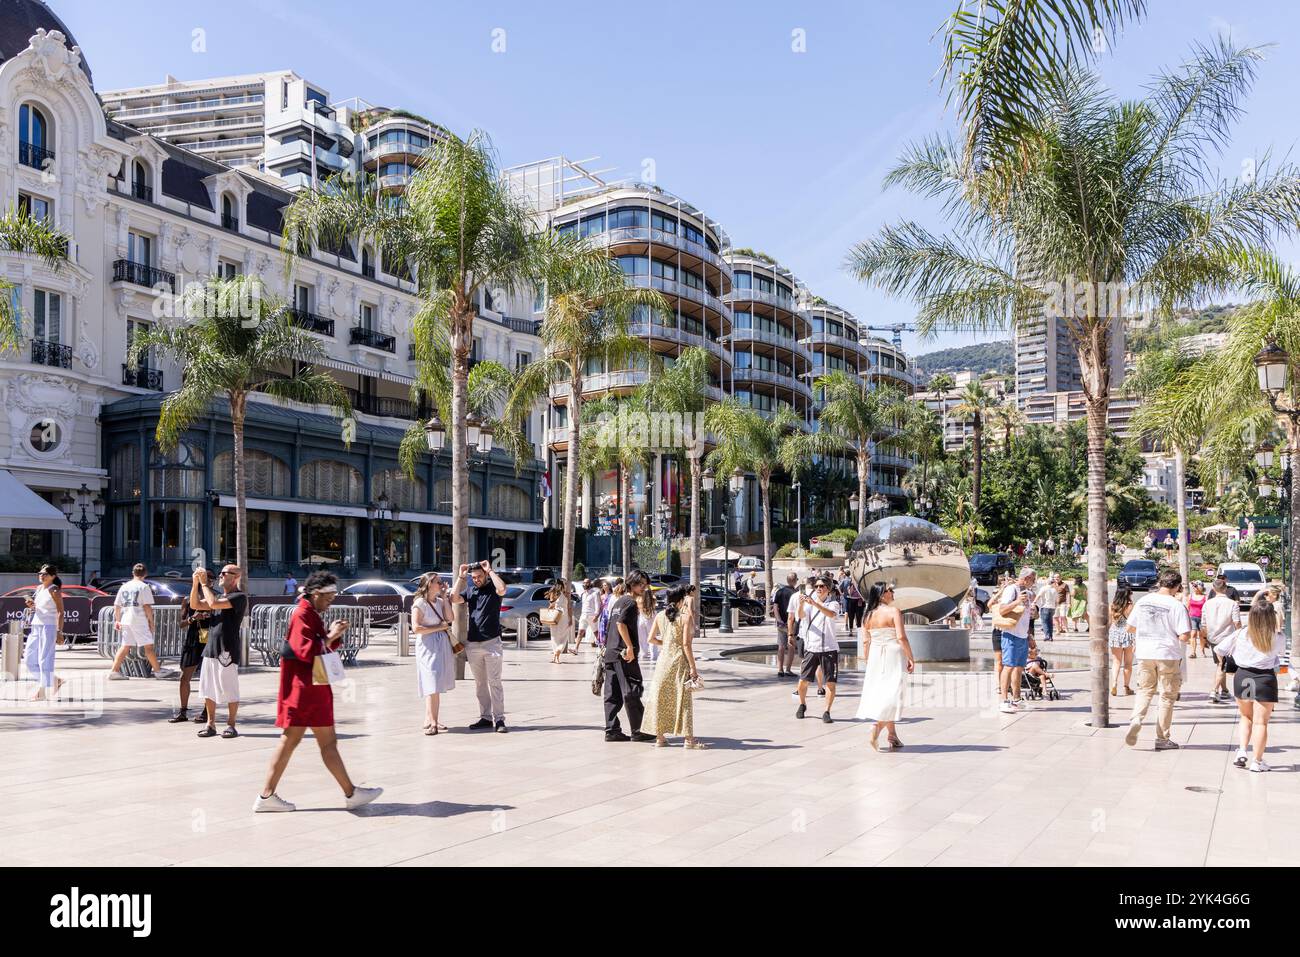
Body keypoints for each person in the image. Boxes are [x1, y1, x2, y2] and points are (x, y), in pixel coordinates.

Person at [255, 571, 382, 812]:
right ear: (315, 594)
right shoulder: (303, 613)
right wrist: (332, 635)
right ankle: (349, 792)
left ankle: (267, 796)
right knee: (317, 742)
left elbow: (317, 645)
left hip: (306, 688)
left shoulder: (309, 612)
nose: (331, 600)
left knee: (298, 741)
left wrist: (333, 636)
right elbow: (305, 650)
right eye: (328, 597)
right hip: (306, 690)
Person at [1124, 569, 1193, 751]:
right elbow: (1184, 636)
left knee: (1144, 690)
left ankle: (1136, 719)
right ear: (1177, 587)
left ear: (1160, 582)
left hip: (1145, 653)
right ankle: (1162, 738)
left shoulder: (1144, 601)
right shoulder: (1177, 605)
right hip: (1167, 654)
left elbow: (1130, 627)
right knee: (1167, 696)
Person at [1218, 595, 1286, 772]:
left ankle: (1242, 751)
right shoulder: (1278, 637)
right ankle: (1257, 761)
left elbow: (1220, 649)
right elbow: (1281, 655)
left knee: (1245, 717)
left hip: (1243, 677)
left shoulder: (1241, 633)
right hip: (1265, 679)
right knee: (1261, 722)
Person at [641, 583, 703, 748]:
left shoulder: (660, 615)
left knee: (660, 697)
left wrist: (666, 643)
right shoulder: (684, 618)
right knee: (683, 699)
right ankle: (689, 739)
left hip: (663, 661)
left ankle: (660, 738)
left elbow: (650, 639)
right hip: (679, 662)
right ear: (681, 599)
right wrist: (693, 668)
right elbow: (686, 645)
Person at [451, 560, 509, 732]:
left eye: (479, 576)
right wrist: (461, 575)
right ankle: (485, 717)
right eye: (473, 577)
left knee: (495, 682)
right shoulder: (471, 590)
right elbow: (454, 598)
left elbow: (503, 588)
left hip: (492, 643)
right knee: (480, 684)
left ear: (485, 575)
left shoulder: (493, 589)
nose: (476, 580)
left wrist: (489, 570)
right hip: (473, 644)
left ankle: (499, 720)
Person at [857, 581, 915, 751]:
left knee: (884, 691)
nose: (893, 593)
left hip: (875, 655)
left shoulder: (867, 615)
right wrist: (911, 657)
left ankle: (892, 735)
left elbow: (866, 641)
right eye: (890, 590)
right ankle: (878, 726)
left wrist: (869, 661)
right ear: (882, 594)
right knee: (895, 692)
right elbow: (901, 637)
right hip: (893, 653)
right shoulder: (893, 611)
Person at [192, 565, 247, 739]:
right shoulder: (217, 596)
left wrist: (205, 585)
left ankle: (231, 725)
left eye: (225, 573)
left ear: (236, 577)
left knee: (229, 688)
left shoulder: (239, 596)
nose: (221, 576)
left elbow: (213, 603)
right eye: (221, 573)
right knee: (208, 689)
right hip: (211, 648)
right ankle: (210, 724)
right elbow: (195, 604)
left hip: (227, 650)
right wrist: (195, 584)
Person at [602, 570, 655, 742]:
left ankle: (612, 730)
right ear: (632, 583)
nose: (644, 587)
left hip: (610, 653)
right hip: (624, 655)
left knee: (612, 694)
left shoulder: (618, 602)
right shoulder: (630, 603)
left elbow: (610, 625)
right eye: (641, 584)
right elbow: (620, 624)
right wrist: (630, 647)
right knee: (632, 689)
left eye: (645, 584)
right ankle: (638, 730)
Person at [107, 564, 175, 680]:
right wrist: (151, 622)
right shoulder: (144, 587)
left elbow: (116, 606)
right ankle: (158, 670)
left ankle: (114, 671)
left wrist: (117, 620)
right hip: (139, 619)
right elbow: (147, 606)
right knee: (148, 646)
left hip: (126, 619)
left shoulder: (124, 586)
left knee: (125, 646)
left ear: (133, 573)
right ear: (145, 574)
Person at [412, 573, 456, 733]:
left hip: (440, 645)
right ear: (429, 584)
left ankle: (429, 718)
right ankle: (433, 723)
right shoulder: (420, 603)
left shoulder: (439, 601)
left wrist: (445, 598)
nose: (442, 584)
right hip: (427, 646)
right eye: (438, 582)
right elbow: (416, 628)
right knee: (432, 682)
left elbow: (451, 618)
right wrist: (439, 627)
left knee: (435, 682)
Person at [794, 576, 841, 723]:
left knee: (830, 683)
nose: (819, 589)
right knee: (803, 682)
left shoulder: (833, 603)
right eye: (817, 586)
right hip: (812, 647)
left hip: (829, 648)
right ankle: (802, 704)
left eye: (822, 586)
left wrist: (815, 603)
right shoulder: (809, 604)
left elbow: (831, 614)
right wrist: (802, 605)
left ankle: (826, 711)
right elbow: (800, 616)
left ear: (828, 589)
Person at [994, 567, 1036, 713]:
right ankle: (1004, 700)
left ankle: (1016, 699)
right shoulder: (1012, 590)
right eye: (1033, 579)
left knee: (1018, 668)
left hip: (1022, 636)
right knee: (1008, 666)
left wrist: (1029, 635)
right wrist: (1017, 601)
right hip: (1010, 635)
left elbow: (1026, 617)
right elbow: (1002, 610)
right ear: (1025, 578)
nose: (1035, 582)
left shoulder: (1028, 593)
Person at [22, 565, 64, 700]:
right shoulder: (39, 588)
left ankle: (42, 692)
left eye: (45, 574)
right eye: (40, 573)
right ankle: (54, 680)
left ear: (53, 576)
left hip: (49, 626)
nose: (41, 575)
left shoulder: (55, 590)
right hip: (36, 625)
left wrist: (59, 631)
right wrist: (31, 605)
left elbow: (60, 612)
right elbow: (39, 607)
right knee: (29, 658)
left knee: (44, 659)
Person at [169, 591, 210, 723]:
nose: (210, 581)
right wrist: (193, 618)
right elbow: (181, 623)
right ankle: (183, 712)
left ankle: (206, 712)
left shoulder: (214, 598)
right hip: (193, 640)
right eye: (208, 578)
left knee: (208, 678)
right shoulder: (187, 599)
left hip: (208, 639)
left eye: (212, 578)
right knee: (184, 677)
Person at [1201, 576, 1241, 705]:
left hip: (1213, 637)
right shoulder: (1232, 604)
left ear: (1213, 588)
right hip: (1227, 638)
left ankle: (1224, 690)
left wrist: (1205, 638)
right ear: (1225, 589)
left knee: (1221, 664)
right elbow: (1237, 622)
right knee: (1221, 665)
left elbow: (1204, 624)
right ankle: (1214, 691)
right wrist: (1240, 635)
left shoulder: (1207, 604)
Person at [1108, 583, 1136, 696]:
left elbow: (1110, 622)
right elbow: (1132, 621)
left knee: (1116, 662)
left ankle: (1114, 683)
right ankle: (1126, 687)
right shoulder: (1130, 606)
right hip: (1128, 633)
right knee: (1128, 663)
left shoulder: (1112, 605)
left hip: (1115, 633)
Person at [771, 572, 799, 678]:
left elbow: (775, 607)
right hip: (792, 623)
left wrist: (778, 620)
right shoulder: (796, 593)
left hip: (781, 623)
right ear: (795, 580)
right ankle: (788, 669)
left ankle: (780, 669)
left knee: (781, 646)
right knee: (791, 646)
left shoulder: (779, 591)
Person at [546, 577, 575, 664]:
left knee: (554, 636)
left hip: (556, 617)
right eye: (565, 584)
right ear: (563, 585)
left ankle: (556, 656)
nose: (566, 586)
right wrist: (570, 619)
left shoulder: (553, 593)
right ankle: (557, 655)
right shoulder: (567, 594)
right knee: (563, 637)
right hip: (564, 617)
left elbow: (551, 606)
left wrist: (554, 605)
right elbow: (569, 608)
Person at [576, 578, 600, 654]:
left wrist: (596, 616)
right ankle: (576, 648)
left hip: (591, 616)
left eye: (587, 583)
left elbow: (598, 605)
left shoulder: (595, 593)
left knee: (596, 632)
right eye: (584, 582)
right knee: (580, 632)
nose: (585, 584)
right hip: (583, 615)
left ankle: (602, 647)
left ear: (590, 583)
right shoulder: (583, 594)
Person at [637, 584, 657, 665]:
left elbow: (638, 608)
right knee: (652, 637)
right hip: (651, 618)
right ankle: (654, 654)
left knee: (642, 638)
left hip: (642, 618)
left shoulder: (639, 599)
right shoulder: (653, 599)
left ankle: (644, 653)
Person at [1035, 573, 1059, 641]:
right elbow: (1057, 600)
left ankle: (1047, 636)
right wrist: (1055, 606)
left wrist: (1034, 602)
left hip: (1045, 607)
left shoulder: (1044, 588)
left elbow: (1038, 596)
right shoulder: (1054, 590)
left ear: (1046, 582)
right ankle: (1051, 636)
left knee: (1044, 622)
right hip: (1052, 608)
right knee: (1050, 622)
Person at [1186, 582, 1207, 658]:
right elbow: (1188, 607)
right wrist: (1187, 617)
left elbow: (1207, 608)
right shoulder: (1190, 596)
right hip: (1192, 617)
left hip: (1202, 618)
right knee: (1193, 634)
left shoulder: (1205, 597)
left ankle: (1202, 651)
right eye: (1194, 587)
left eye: (1197, 587)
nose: (1195, 588)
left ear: (1201, 587)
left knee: (1201, 635)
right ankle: (1193, 652)